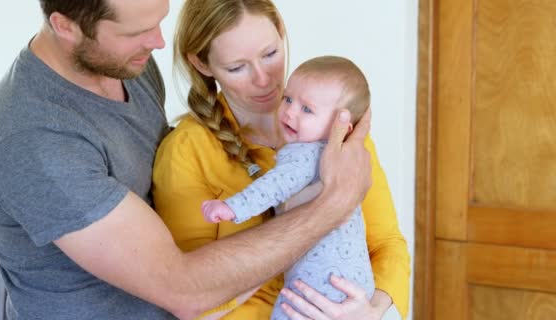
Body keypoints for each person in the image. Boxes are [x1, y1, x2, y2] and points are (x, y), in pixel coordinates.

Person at [0, 1, 372, 319]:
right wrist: (335, 203)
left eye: (159, 19)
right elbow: (185, 290)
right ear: (65, 27)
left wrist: (369, 307)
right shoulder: (34, 140)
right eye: (137, 32)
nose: (159, 42)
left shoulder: (130, 69)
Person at [152, 0, 411, 319]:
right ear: (202, 64)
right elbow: (193, 295)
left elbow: (387, 243)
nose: (263, 79)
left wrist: (372, 310)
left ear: (281, 31)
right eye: (237, 67)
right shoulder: (186, 151)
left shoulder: (337, 129)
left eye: (270, 54)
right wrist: (307, 222)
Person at [200, 55, 376, 320]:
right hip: (357, 287)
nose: (290, 112)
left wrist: (231, 207)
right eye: (288, 99)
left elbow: (274, 187)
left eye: (307, 109)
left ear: (340, 126)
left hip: (318, 286)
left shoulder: (305, 154)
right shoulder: (348, 157)